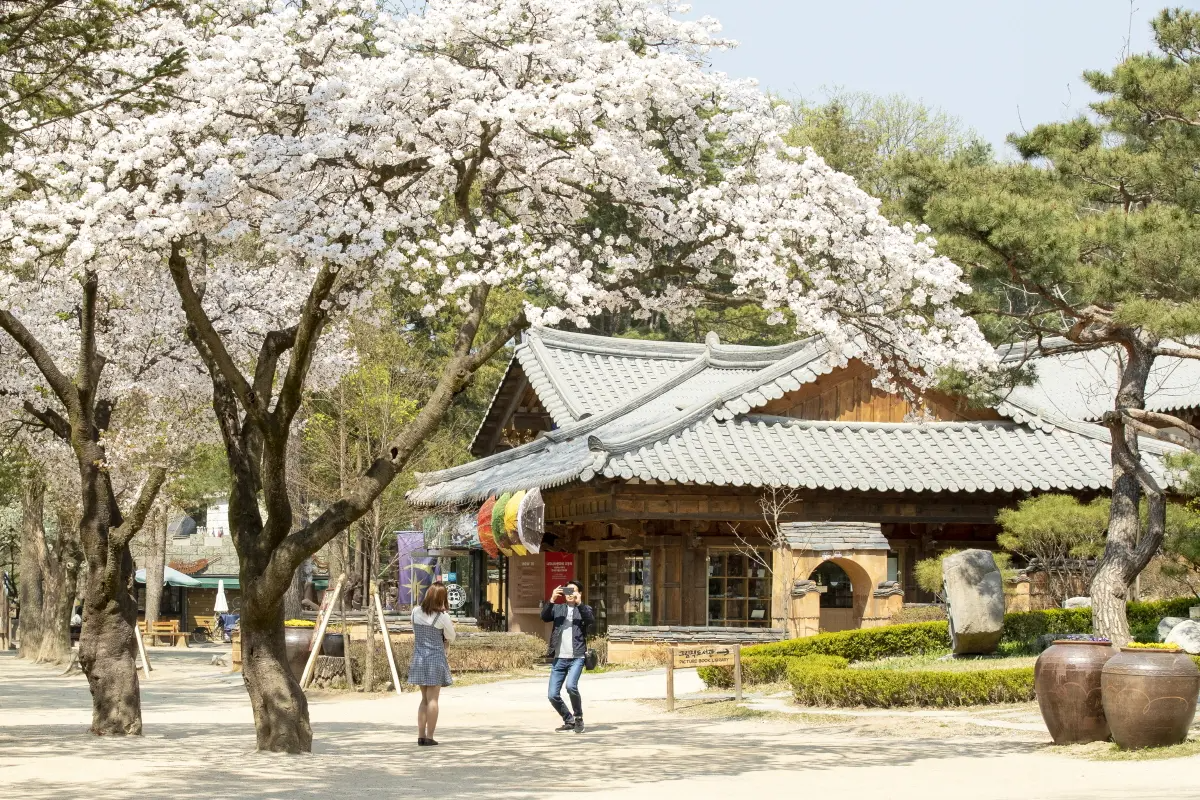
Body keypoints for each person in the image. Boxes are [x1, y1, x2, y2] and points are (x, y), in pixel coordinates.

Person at [541, 580, 593, 733]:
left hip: (577, 657)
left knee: (571, 686)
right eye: (567, 591)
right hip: (559, 658)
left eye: (573, 591)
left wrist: (580, 603)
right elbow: (544, 617)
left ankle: (578, 717)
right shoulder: (558, 608)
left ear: (579, 593)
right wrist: (551, 599)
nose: (570, 594)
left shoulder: (584, 609)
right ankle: (568, 719)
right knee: (552, 695)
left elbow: (590, 620)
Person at [408, 582, 456, 746]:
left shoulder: (415, 612)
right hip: (435, 659)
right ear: (442, 598)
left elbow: (415, 631)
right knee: (433, 700)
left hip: (419, 658)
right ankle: (430, 736)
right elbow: (452, 636)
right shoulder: (442, 617)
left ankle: (420, 736)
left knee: (423, 699)